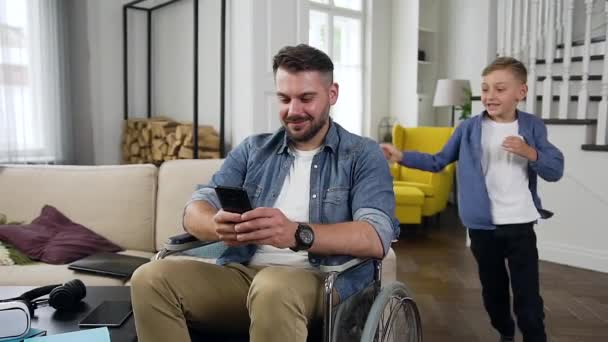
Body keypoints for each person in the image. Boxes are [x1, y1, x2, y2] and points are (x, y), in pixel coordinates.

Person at [130, 44, 398, 342]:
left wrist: (297, 234)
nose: (293, 111)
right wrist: (216, 225)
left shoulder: (362, 154)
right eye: (284, 98)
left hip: (325, 282)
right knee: (149, 278)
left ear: (332, 94)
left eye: (306, 98)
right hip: (244, 277)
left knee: (273, 286)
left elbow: (376, 235)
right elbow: (195, 209)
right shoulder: (253, 150)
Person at [381, 57, 564, 342]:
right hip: (482, 228)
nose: (490, 96)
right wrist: (402, 156)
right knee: (494, 296)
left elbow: (555, 169)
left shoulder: (532, 127)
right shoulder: (468, 128)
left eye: (500, 89)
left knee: (529, 299)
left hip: (521, 224)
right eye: (486, 88)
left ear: (521, 92)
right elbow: (437, 161)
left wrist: (530, 153)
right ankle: (505, 333)